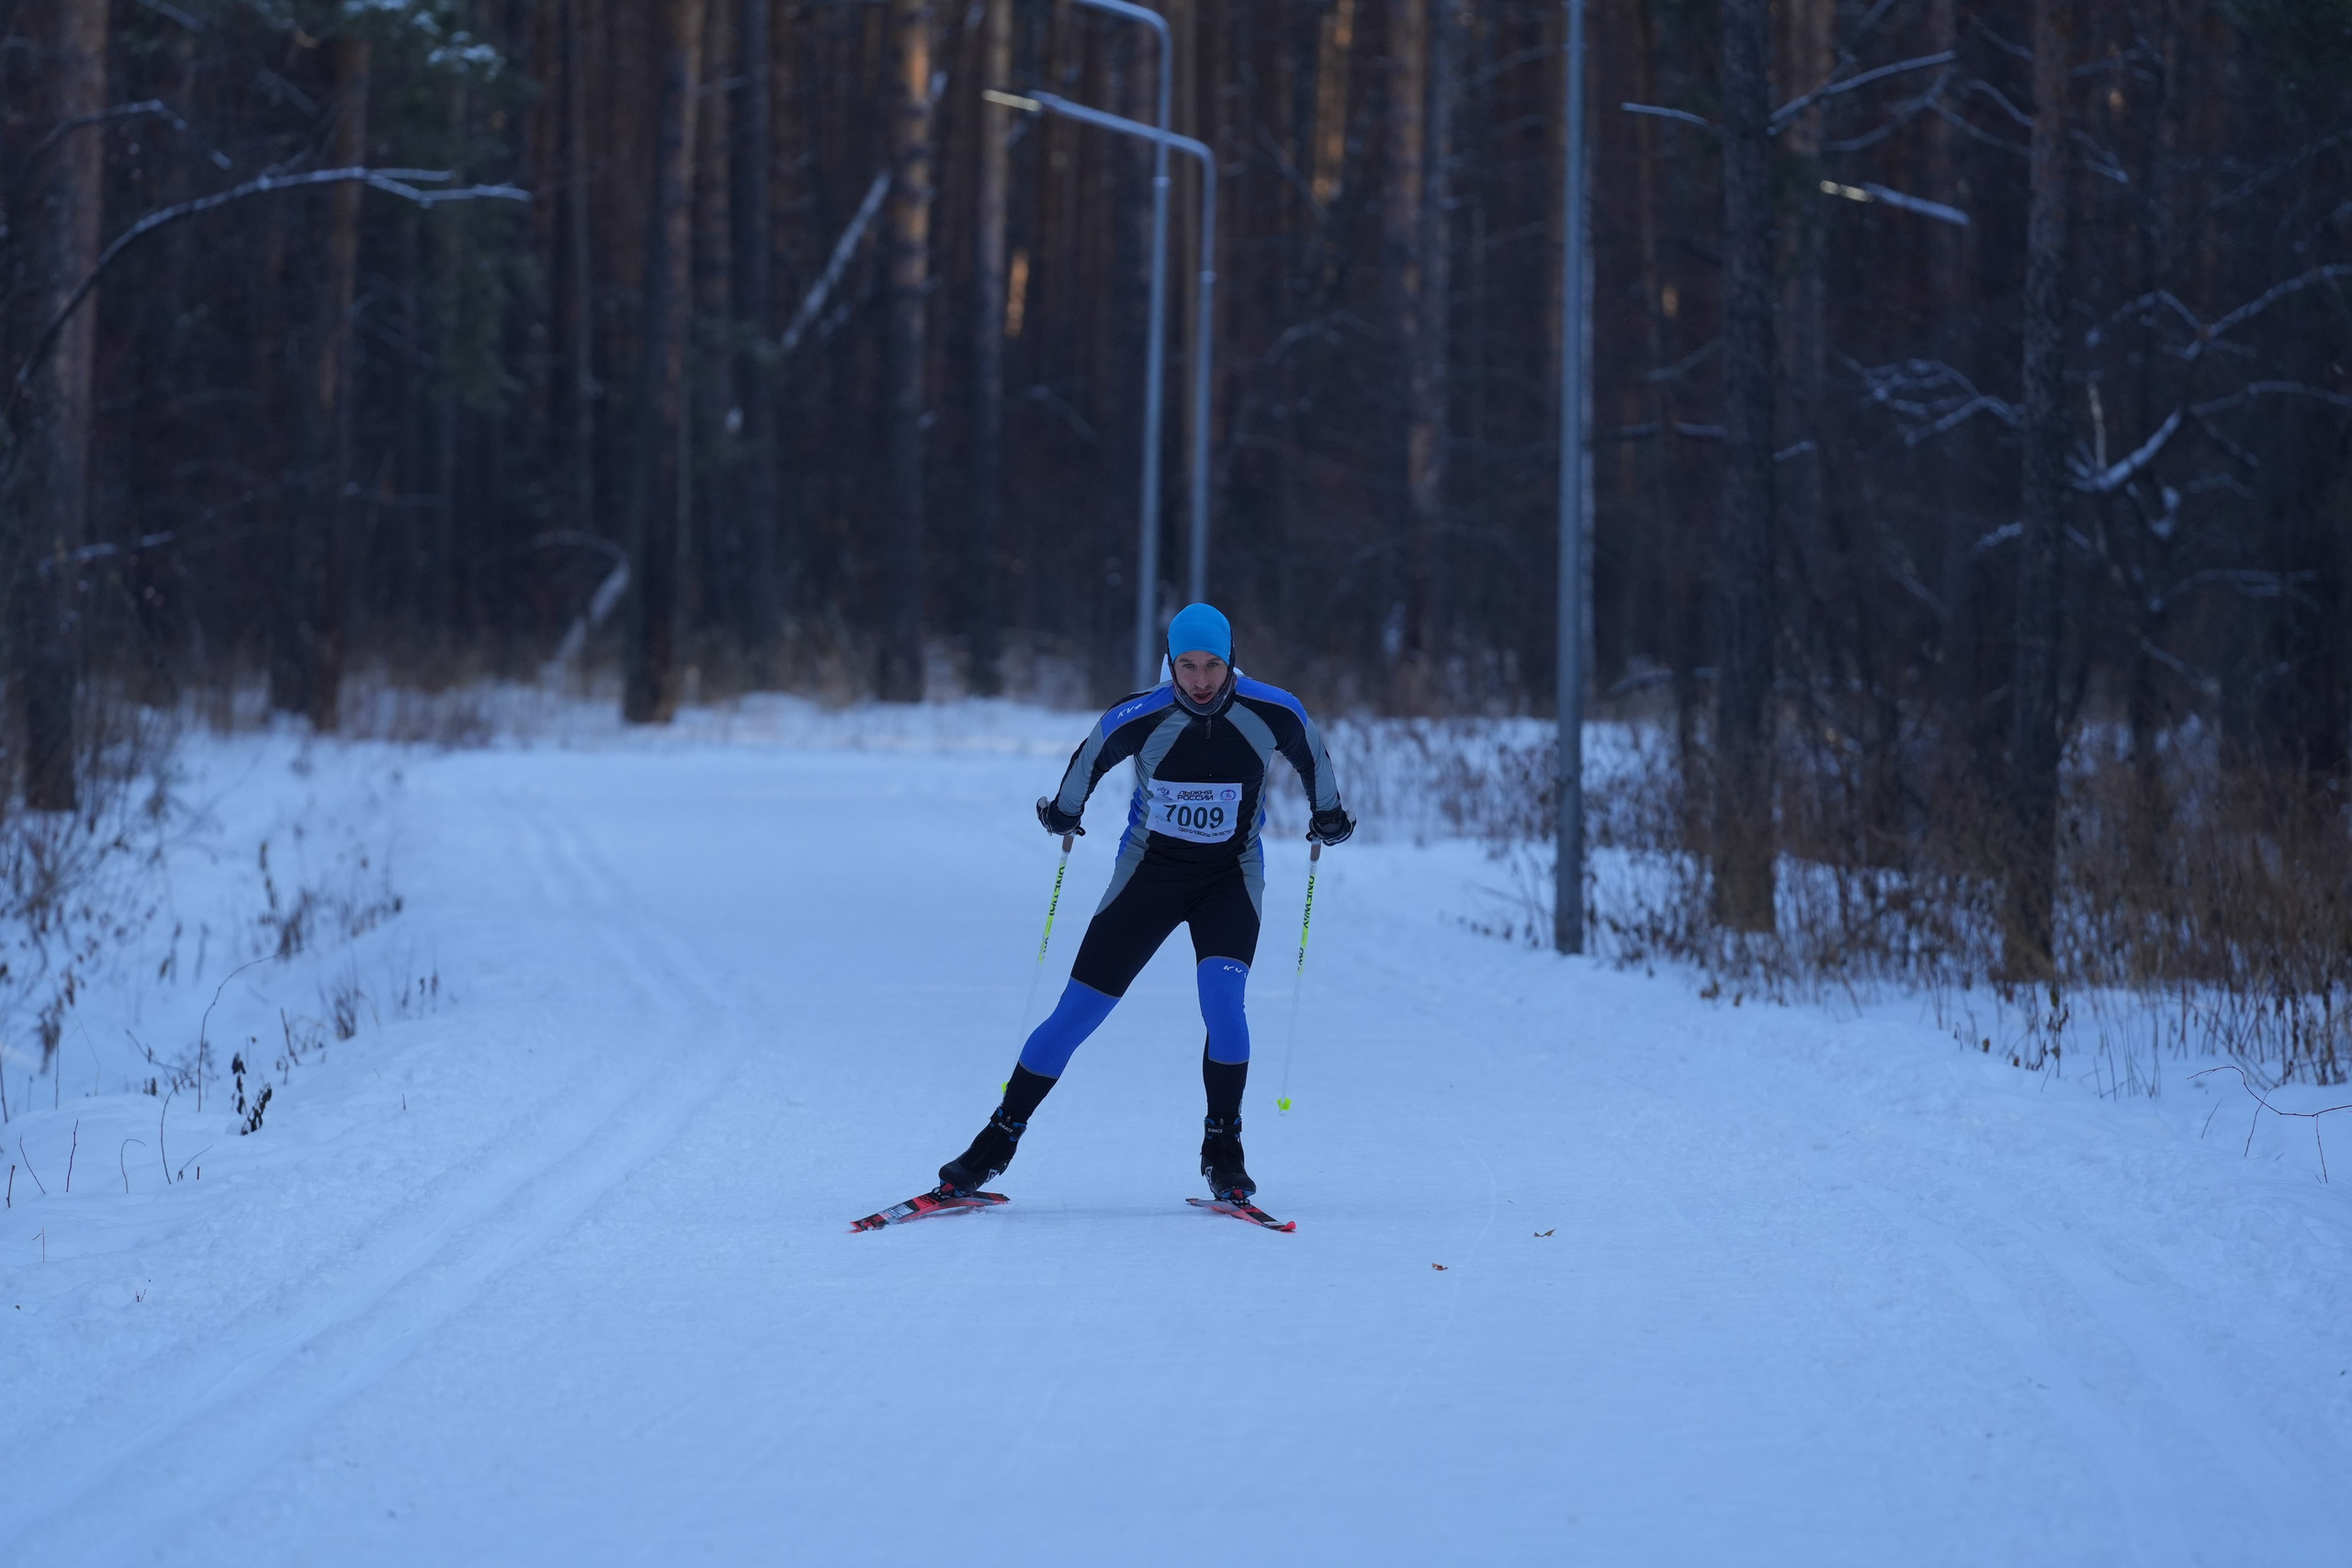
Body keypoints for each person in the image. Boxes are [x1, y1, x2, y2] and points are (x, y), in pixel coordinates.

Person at [937, 603, 1354, 1204]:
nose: (1201, 679)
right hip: (1148, 877)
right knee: (1076, 1013)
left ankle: (1224, 1146)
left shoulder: (1272, 710)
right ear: (1171, 663)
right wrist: (1064, 812)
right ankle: (995, 1143)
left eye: (1213, 664)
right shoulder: (1142, 714)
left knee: (1224, 1004)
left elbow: (1313, 754)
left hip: (1229, 877)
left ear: (1231, 659)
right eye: (1187, 665)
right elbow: (1090, 757)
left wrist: (1330, 816)